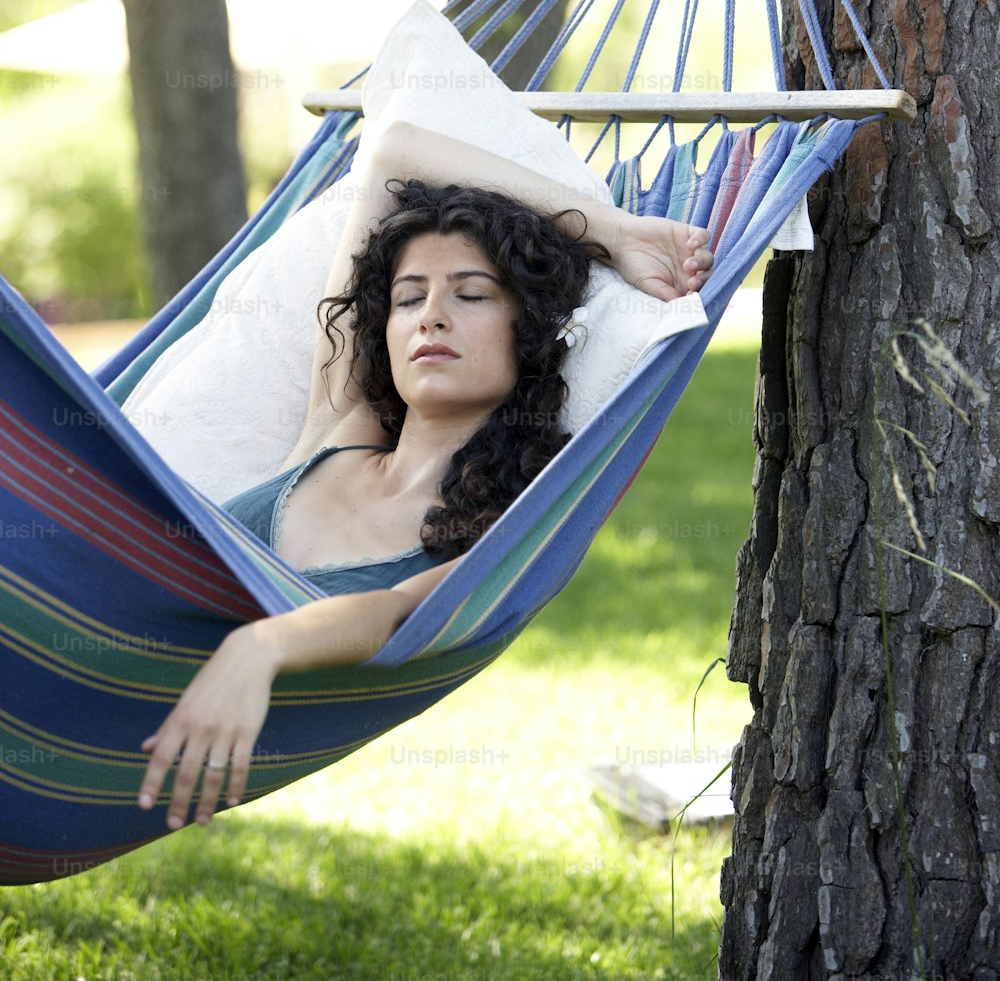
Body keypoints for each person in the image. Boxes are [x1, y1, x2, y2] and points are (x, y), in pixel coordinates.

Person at [136, 119, 714, 832]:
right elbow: (392, 151)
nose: (430, 316)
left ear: (527, 328)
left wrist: (259, 644)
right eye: (409, 299)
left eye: (470, 295)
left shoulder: (496, 538)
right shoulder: (337, 426)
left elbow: (394, 613)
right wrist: (615, 232)